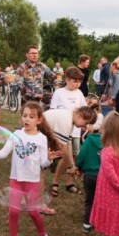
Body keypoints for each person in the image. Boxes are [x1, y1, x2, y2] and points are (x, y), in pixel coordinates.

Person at [0, 102, 60, 236]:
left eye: (31, 116)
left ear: (38, 120)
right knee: (13, 211)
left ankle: (43, 235)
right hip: (16, 179)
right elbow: (3, 153)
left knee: (33, 212)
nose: (27, 119)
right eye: (24, 116)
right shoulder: (16, 135)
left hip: (32, 181)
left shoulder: (42, 138)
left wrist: (49, 159)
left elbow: (42, 163)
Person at [49, 67, 87, 195]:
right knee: (63, 156)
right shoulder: (59, 93)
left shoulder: (79, 93)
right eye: (74, 81)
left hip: (75, 131)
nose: (77, 84)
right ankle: (55, 183)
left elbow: (83, 110)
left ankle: (69, 183)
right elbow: (53, 110)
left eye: (79, 82)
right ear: (67, 80)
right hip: (61, 131)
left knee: (73, 157)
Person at [44, 106, 98, 197]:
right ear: (80, 116)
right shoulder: (66, 121)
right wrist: (70, 166)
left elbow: (68, 146)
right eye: (86, 123)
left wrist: (72, 165)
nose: (85, 126)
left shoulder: (70, 120)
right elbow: (63, 148)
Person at [75, 125, 102, 234]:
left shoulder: (88, 140)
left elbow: (81, 155)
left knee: (89, 200)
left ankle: (87, 224)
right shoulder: (108, 141)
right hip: (103, 176)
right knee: (100, 200)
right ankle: (98, 222)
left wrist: (78, 166)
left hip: (89, 175)